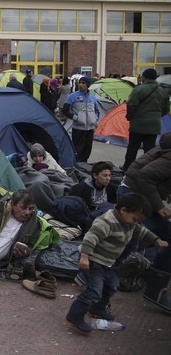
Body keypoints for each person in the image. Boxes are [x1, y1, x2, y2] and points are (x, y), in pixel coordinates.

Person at [65, 193, 167, 334]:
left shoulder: (129, 223)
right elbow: (91, 237)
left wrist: (156, 240)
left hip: (107, 263)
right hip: (93, 260)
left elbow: (142, 231)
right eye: (134, 219)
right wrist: (84, 257)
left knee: (112, 285)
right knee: (94, 290)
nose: (135, 223)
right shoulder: (107, 221)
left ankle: (97, 308)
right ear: (123, 210)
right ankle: (75, 315)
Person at [118, 131, 171, 313]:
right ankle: (155, 290)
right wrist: (159, 206)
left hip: (133, 191)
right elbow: (146, 176)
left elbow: (157, 173)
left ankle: (154, 288)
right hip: (135, 195)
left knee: (137, 237)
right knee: (134, 237)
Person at [121, 68, 169, 171]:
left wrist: (130, 116)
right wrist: (156, 116)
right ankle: (147, 168)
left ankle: (128, 167)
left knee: (133, 148)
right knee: (149, 150)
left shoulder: (138, 89)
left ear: (144, 77)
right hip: (154, 125)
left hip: (137, 124)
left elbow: (131, 105)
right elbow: (166, 109)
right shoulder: (163, 91)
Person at [62, 76, 99, 162]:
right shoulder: (72, 96)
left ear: (88, 85)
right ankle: (77, 165)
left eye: (83, 83)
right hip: (78, 128)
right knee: (78, 150)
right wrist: (76, 118)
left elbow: (96, 110)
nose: (81, 85)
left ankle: (84, 164)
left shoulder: (93, 98)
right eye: (80, 82)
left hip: (90, 128)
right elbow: (65, 110)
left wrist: (95, 119)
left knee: (87, 149)